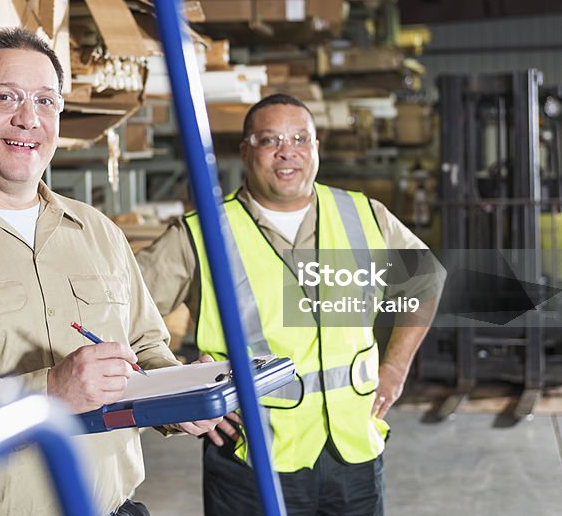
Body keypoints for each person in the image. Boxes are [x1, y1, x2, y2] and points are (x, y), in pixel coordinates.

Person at [0, 28, 218, 516]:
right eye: (5, 97)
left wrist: (181, 394)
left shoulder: (98, 232)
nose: (28, 118)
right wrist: (47, 393)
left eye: (46, 101)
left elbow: (146, 349)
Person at [136, 93, 444, 516]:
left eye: (300, 138)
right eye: (269, 140)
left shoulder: (363, 216)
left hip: (352, 452)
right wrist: (177, 381)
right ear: (246, 150)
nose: (288, 152)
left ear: (316, 148)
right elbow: (123, 314)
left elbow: (426, 282)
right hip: (251, 457)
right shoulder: (203, 233)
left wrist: (396, 367)